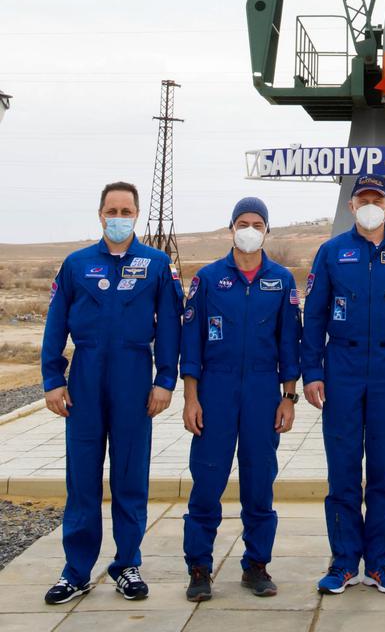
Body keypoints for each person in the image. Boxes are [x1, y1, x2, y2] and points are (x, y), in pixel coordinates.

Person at [40, 181, 183, 605]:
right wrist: (52, 379)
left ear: (136, 215)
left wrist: (164, 380)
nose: (118, 217)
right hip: (85, 376)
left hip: (134, 376)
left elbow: (171, 328)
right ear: (99, 214)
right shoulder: (76, 264)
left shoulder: (156, 264)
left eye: (126, 211)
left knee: (129, 475)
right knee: (82, 478)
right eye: (111, 210)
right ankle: (76, 570)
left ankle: (127, 565)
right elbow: (55, 324)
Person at [301, 174, 385, 596]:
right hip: (341, 366)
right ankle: (343, 562)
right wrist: (313, 372)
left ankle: (381, 563)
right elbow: (315, 318)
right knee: (342, 471)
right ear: (351, 205)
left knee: (383, 472)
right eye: (363, 199)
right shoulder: (331, 252)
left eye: (377, 199)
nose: (370, 205)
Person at [181, 197, 301, 602]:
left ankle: (257, 566)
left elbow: (289, 343)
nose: (249, 230)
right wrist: (191, 398)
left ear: (267, 230)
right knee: (208, 480)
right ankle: (199, 567)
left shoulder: (281, 281)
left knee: (259, 483)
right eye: (243, 222)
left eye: (257, 224)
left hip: (263, 394)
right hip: (216, 391)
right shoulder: (209, 279)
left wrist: (289, 398)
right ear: (231, 227)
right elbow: (191, 346)